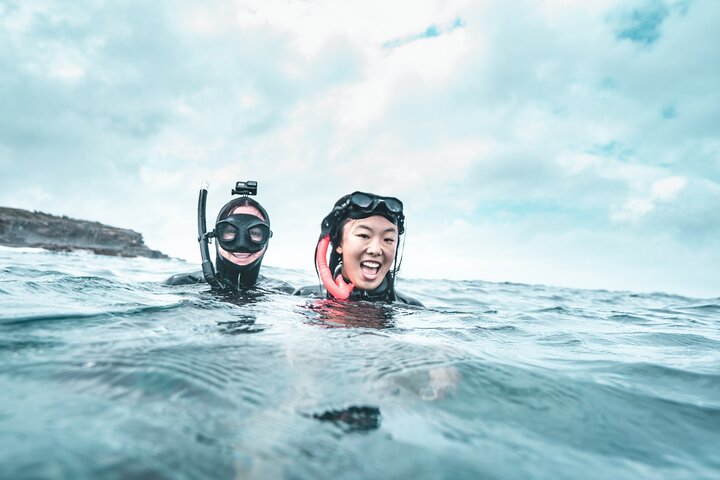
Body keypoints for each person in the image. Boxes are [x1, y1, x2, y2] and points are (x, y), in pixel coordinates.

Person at [295, 191, 423, 306]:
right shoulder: (307, 298)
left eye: (388, 239)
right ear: (339, 243)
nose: (376, 250)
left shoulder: (411, 307)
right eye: (364, 235)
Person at [165, 181, 293, 294]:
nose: (242, 244)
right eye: (231, 231)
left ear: (266, 238)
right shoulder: (180, 285)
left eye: (254, 233)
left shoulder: (283, 291)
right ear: (216, 235)